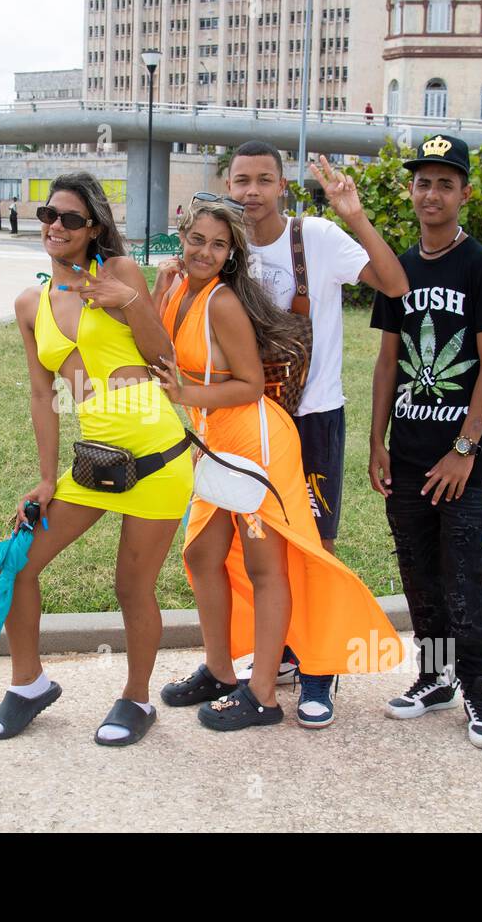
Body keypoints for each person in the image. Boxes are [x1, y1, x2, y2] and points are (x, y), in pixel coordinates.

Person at [154, 199, 400, 729]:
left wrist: (185, 392)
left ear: (231, 254)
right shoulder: (178, 288)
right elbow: (154, 342)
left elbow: (246, 385)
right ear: (181, 236)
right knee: (201, 557)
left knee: (267, 566)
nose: (205, 251)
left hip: (255, 445)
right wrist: (157, 288)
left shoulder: (222, 303)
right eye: (197, 239)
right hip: (214, 441)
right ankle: (221, 670)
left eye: (219, 244)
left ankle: (263, 693)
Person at [0, 171, 193, 746]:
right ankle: (28, 684)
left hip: (157, 455)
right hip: (94, 462)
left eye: (71, 219)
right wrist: (47, 476)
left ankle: (136, 698)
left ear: (94, 228)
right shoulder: (31, 305)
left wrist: (127, 301)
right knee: (18, 564)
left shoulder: (120, 274)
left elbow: (164, 358)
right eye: (48, 215)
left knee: (132, 586)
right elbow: (41, 394)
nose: (56, 226)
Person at [224, 140, 409, 722]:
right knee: (257, 543)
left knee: (316, 544)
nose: (251, 191)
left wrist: (353, 212)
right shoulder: (224, 249)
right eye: (240, 181)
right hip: (250, 421)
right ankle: (271, 652)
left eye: (263, 180)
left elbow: (394, 284)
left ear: (282, 186)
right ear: (227, 187)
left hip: (313, 417)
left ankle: (319, 669)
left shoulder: (319, 238)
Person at [369, 133, 482, 749]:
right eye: (423, 182)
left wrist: (466, 447)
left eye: (445, 183)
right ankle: (435, 676)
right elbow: (386, 363)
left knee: (462, 570)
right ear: (412, 190)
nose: (432, 193)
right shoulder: (396, 267)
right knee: (418, 569)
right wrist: (376, 441)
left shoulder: (478, 264)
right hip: (407, 450)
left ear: (464, 193)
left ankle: (479, 687)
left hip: (463, 458)